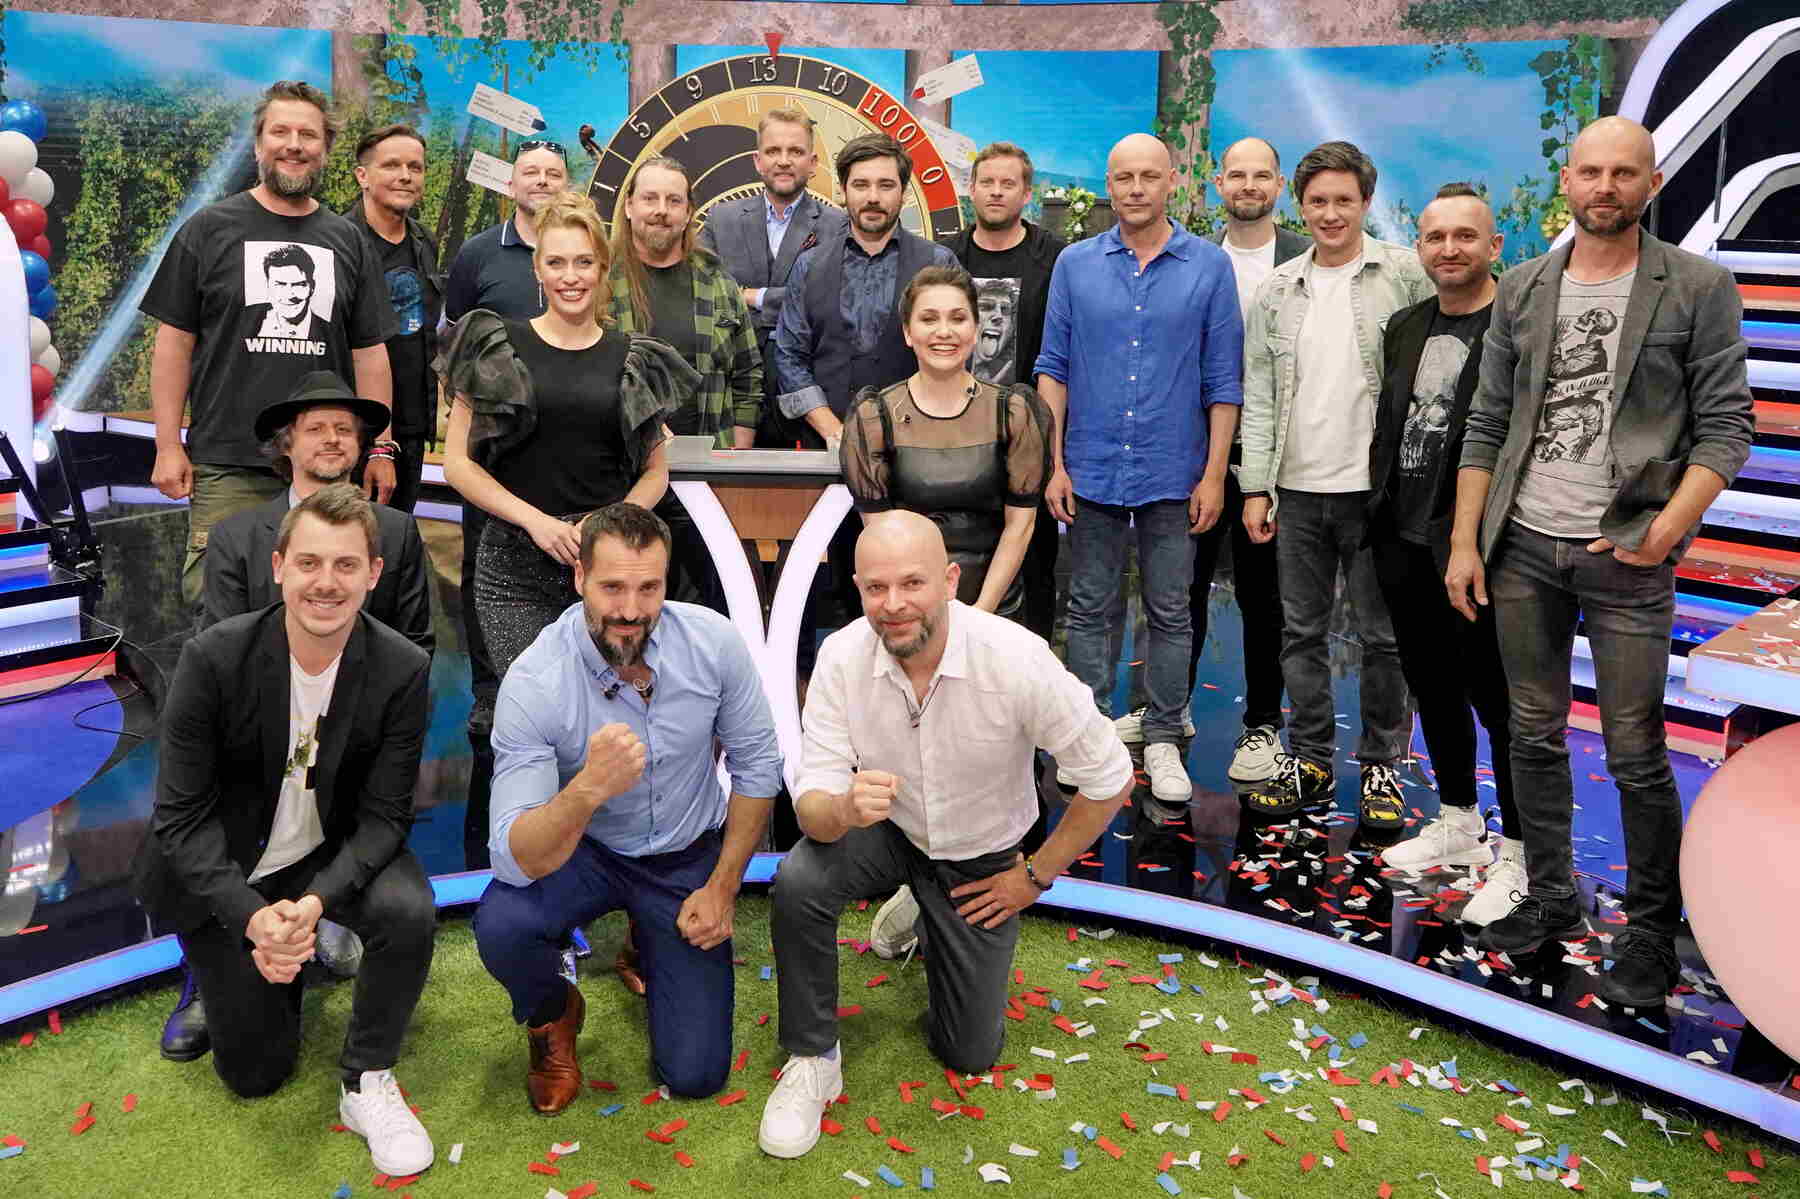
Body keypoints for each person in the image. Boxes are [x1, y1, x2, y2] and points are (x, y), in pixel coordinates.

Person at [1448, 117, 1753, 1005]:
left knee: (1635, 749)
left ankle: (1651, 933)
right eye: (1591, 171)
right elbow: (1487, 423)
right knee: (1531, 733)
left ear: (1651, 184)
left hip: (1629, 555)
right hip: (1521, 548)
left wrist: (1663, 532)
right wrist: (1466, 540)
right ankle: (1551, 898)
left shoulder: (1697, 286)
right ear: (1568, 182)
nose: (1605, 187)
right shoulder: (1523, 288)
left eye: (1624, 172)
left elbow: (1727, 426)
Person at [757, 512, 1132, 1159]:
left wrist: (1034, 875)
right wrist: (843, 805)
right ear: (857, 588)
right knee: (800, 877)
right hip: (889, 829)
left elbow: (1111, 776)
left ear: (951, 581)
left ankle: (924, 905)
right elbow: (812, 804)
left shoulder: (1014, 658)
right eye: (877, 587)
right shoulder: (842, 656)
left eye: (913, 583)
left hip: (981, 856)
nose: (894, 603)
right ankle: (813, 1057)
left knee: (969, 1052)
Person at [131, 484, 436, 1177]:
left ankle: (366, 1078)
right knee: (255, 1073)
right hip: (232, 866)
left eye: (346, 565)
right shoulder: (214, 657)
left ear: (373, 573)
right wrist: (254, 917)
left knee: (408, 908)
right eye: (309, 563)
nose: (326, 583)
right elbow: (180, 817)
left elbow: (387, 816)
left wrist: (316, 902)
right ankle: (257, 963)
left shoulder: (402, 667)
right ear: (278, 567)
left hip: (325, 854)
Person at [473, 502, 782, 1113]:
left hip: (685, 854)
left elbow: (759, 767)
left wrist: (723, 888)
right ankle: (554, 1015)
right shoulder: (535, 680)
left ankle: (647, 937)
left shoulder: (714, 642)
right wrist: (587, 789)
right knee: (504, 926)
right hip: (586, 850)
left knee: (695, 1075)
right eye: (612, 587)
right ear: (579, 578)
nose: (631, 610)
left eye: (649, 588)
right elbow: (513, 859)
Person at [1034, 132, 1244, 806]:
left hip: (1175, 469)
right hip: (1090, 464)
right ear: (1109, 183)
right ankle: (1091, 733)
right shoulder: (1075, 264)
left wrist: (1214, 474)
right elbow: (1052, 369)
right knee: (1088, 606)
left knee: (1172, 610)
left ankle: (1162, 736)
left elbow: (1224, 380)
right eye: (1123, 177)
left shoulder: (1209, 267)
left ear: (1172, 181)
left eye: (1148, 176)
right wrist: (1054, 462)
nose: (1135, 188)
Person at [143, 79, 398, 612]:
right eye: (280, 132)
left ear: (325, 149)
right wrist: (167, 444)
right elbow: (173, 344)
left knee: (328, 603)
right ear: (258, 144)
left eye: (308, 135)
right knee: (220, 610)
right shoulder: (207, 230)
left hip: (327, 466)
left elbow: (370, 354)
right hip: (227, 463)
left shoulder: (348, 241)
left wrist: (379, 447)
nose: (294, 145)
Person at [1238, 140, 1430, 827]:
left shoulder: (1404, 275)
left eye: (1343, 200)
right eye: (1317, 201)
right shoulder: (1276, 290)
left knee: (1384, 638)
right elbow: (1260, 394)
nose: (1330, 213)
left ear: (1366, 203)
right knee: (1300, 633)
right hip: (1296, 491)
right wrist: (1255, 486)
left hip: (1378, 494)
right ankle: (1311, 757)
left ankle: (1382, 766)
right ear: (1300, 204)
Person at [1115, 136, 1310, 784]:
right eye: (1237, 175)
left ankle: (1262, 724)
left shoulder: (1304, 261)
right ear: (1216, 184)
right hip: (1194, 452)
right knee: (1178, 592)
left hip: (1274, 455)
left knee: (1264, 596)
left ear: (1278, 185)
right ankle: (1166, 710)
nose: (1249, 186)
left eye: (1262, 175)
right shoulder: (1190, 258)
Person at [1365, 185, 1523, 927]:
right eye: (1435, 237)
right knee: (1431, 685)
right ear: (1420, 247)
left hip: (1483, 547)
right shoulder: (1405, 326)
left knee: (1499, 699)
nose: (1449, 249)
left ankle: (1521, 852)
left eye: (1466, 236)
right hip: (1402, 537)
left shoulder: (1517, 328)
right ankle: (1460, 820)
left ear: (1495, 246)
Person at [442, 138, 571, 874]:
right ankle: (493, 700)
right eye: (531, 173)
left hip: (567, 476)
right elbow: (453, 341)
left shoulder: (587, 268)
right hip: (493, 467)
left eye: (554, 173)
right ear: (510, 184)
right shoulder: (477, 256)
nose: (541, 182)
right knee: (489, 592)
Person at [841, 264, 1052, 618]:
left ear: (975, 329)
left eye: (958, 318)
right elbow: (883, 538)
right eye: (928, 319)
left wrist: (979, 616)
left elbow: (1020, 526)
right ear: (908, 332)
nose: (944, 332)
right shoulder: (874, 417)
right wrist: (926, 615)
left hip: (995, 611)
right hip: (908, 614)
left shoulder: (1013, 412)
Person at [606, 155, 763, 610]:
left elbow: (748, 371)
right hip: (623, 475)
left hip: (706, 475)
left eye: (674, 200)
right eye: (650, 198)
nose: (661, 210)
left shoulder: (716, 280)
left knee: (706, 606)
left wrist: (737, 454)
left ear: (689, 211)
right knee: (628, 602)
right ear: (629, 206)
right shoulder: (600, 280)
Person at [201, 372, 433, 653]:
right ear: (285, 445)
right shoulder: (234, 537)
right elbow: (221, 648)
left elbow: (415, 644)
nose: (332, 439)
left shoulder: (398, 532)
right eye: (315, 429)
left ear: (360, 443)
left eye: (343, 429)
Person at [941, 142, 1066, 641]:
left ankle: (1032, 671)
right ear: (971, 189)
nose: (996, 192)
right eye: (987, 182)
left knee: (1034, 571)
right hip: (955, 440)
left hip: (1028, 442)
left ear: (1026, 193)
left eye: (1008, 183)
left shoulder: (1055, 259)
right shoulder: (946, 258)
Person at [698, 108, 844, 448]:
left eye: (795, 151)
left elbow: (829, 301)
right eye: (773, 150)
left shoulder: (838, 226)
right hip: (730, 395)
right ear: (758, 160)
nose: (784, 161)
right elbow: (703, 296)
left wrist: (751, 296)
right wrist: (788, 299)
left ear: (813, 162)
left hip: (809, 399)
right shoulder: (720, 219)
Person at [347, 123, 443, 515]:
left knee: (395, 538)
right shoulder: (338, 241)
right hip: (352, 432)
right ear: (363, 176)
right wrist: (376, 445)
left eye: (415, 167)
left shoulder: (424, 242)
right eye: (391, 165)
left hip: (411, 429)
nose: (405, 176)